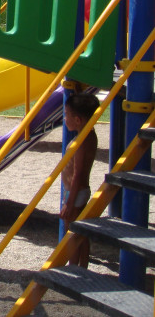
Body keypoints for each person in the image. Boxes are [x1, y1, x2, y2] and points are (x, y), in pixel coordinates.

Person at [60, 92, 99, 268]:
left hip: (75, 193)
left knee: (73, 233)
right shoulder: (89, 134)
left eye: (66, 114)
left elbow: (78, 174)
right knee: (81, 233)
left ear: (77, 120)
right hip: (79, 191)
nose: (64, 118)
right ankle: (82, 267)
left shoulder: (82, 142)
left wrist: (69, 203)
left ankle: (74, 268)